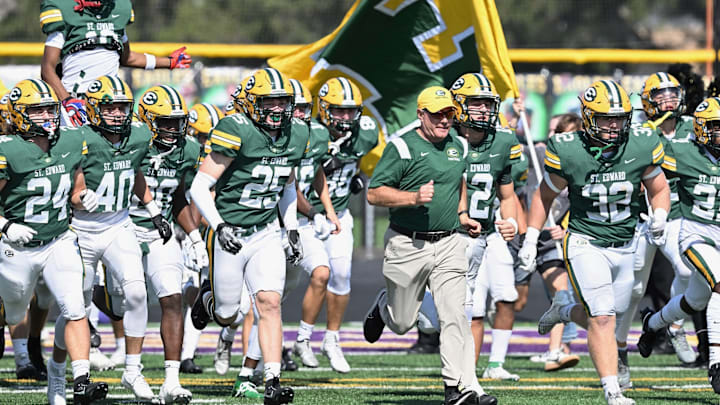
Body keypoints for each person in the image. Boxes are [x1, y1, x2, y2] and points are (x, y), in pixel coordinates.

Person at [517, 80, 670, 405]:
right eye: (605, 118)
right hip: (586, 241)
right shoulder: (568, 149)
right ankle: (612, 390)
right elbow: (544, 197)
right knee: (602, 318)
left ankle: (565, 308)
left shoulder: (640, 143)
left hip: (627, 243)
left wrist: (660, 215)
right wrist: (532, 238)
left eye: (619, 117)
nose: (613, 125)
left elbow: (659, 187)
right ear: (587, 117)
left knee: (610, 320)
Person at [363, 85, 497, 405]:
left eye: (449, 113)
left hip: (450, 241)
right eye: (436, 114)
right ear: (421, 114)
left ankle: (459, 388)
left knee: (455, 315)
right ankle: (384, 306)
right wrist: (412, 198)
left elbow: (458, 179)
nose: (444, 120)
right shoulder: (402, 147)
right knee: (402, 322)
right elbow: (374, 192)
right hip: (407, 245)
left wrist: (462, 214)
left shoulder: (459, 145)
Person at [189, 67, 307, 405]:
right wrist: (218, 226)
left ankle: (271, 380)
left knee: (269, 302)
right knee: (228, 314)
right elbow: (199, 186)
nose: (277, 109)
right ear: (252, 104)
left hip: (266, 232)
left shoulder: (296, 133)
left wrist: (292, 227)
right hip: (230, 233)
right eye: (268, 102)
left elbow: (286, 184)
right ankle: (209, 299)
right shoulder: (235, 129)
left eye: (283, 102)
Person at [2, 78, 108, 405]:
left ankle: (78, 379)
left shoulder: (70, 140)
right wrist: (5, 226)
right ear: (19, 115)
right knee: (11, 310)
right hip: (15, 248)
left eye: (50, 109)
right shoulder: (8, 150)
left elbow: (76, 184)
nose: (48, 117)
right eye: (38, 111)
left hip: (58, 239)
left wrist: (82, 195)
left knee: (75, 307)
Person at [68, 75, 173, 400]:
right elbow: (72, 191)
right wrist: (82, 197)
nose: (117, 113)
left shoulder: (139, 133)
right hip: (80, 229)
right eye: (110, 106)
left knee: (137, 293)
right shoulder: (79, 137)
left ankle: (132, 371)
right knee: (76, 305)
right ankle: (72, 373)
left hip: (118, 225)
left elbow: (134, 171)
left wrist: (154, 209)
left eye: (122, 106)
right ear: (95, 108)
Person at [614, 72, 696, 389]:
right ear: (647, 101)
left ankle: (672, 324)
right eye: (661, 95)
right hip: (639, 218)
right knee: (631, 291)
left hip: (676, 215)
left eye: (673, 93)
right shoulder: (637, 132)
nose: (669, 100)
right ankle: (620, 352)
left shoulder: (693, 126)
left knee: (689, 271)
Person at [127, 85, 206, 403]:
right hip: (122, 229)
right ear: (147, 120)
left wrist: (195, 235)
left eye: (177, 121)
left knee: (172, 299)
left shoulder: (187, 149)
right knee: (126, 299)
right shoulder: (132, 142)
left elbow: (178, 196)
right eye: (166, 122)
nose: (174, 129)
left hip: (161, 233)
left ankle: (171, 381)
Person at [292, 76, 377, 374]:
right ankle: (297, 340)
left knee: (340, 275)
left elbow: (362, 163)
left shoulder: (364, 133)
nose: (345, 117)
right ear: (324, 109)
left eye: (351, 111)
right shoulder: (307, 133)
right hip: (299, 217)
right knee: (290, 283)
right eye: (339, 111)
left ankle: (331, 339)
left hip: (338, 214)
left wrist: (356, 179)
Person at [636, 96, 720, 395]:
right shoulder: (683, 151)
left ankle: (653, 323)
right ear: (700, 129)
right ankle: (716, 364)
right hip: (696, 234)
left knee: (696, 299)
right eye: (716, 127)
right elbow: (643, 156)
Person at [451, 73, 520, 381]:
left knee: (500, 298)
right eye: (475, 104)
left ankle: (474, 374)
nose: (482, 110)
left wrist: (512, 220)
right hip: (450, 236)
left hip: (488, 234)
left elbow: (508, 191)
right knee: (443, 316)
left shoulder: (504, 140)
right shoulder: (443, 138)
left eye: (487, 104)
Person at [39, 0, 191, 127]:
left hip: (110, 104)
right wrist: (68, 101)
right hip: (78, 103)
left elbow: (128, 57)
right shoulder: (64, 9)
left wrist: (169, 62)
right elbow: (47, 69)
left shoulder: (118, 12)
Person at [519, 113, 582, 372]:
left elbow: (582, 205)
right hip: (525, 236)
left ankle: (558, 350)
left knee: (560, 293)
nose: (550, 136)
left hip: (552, 238)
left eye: (557, 131)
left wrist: (565, 230)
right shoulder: (539, 152)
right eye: (552, 130)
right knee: (514, 300)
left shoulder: (577, 161)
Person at [179, 102, 224, 375]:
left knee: (199, 291)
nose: (206, 144)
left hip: (206, 230)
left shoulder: (218, 158)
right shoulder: (180, 154)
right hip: (176, 230)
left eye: (211, 138)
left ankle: (186, 355)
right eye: (202, 137)